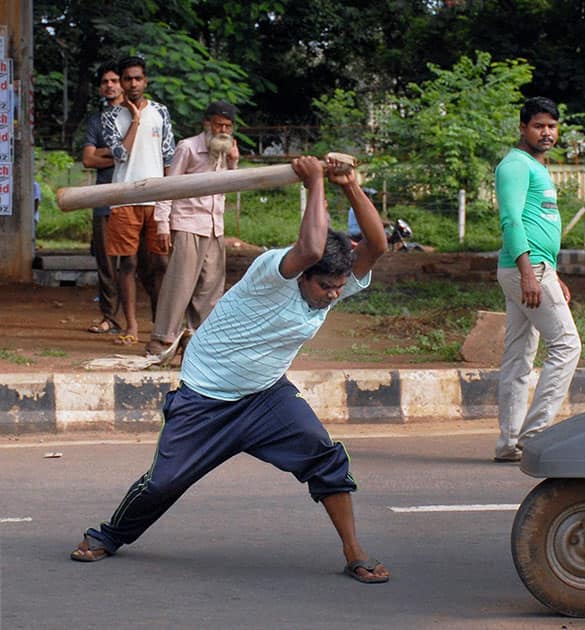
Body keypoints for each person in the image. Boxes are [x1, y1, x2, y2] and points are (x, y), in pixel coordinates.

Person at [70, 153, 391, 584]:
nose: (334, 295)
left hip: (264, 396)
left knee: (324, 457)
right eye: (325, 287)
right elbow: (311, 247)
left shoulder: (333, 280)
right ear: (303, 277)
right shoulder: (272, 273)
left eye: (339, 287)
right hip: (206, 396)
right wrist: (314, 181)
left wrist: (350, 184)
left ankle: (355, 551)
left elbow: (378, 246)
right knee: (163, 484)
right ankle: (108, 535)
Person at [493, 96, 581, 463]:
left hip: (535, 269)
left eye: (552, 126)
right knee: (567, 344)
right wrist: (531, 273)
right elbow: (512, 222)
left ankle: (509, 443)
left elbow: (537, 224)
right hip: (525, 269)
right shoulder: (515, 166)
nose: (546, 133)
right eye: (538, 126)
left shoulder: (536, 166)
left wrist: (552, 273)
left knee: (519, 356)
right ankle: (535, 436)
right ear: (523, 128)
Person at [145, 101, 240, 361]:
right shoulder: (187, 148)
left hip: (214, 227)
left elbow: (229, 188)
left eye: (228, 126)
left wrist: (233, 163)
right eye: (219, 124)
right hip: (187, 223)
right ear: (207, 123)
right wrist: (162, 223)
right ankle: (162, 339)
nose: (223, 130)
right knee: (180, 284)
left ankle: (198, 342)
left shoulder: (225, 151)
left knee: (210, 287)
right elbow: (169, 187)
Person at [102, 56, 175, 346]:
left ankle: (161, 323)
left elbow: (168, 157)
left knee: (160, 262)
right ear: (121, 82)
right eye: (127, 79)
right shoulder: (109, 116)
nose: (133, 83)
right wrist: (134, 119)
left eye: (137, 78)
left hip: (156, 197)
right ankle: (131, 324)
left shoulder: (160, 112)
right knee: (128, 263)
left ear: (145, 81)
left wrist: (169, 201)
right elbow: (120, 155)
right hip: (123, 198)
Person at [81, 61, 123, 335]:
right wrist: (118, 152)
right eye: (105, 81)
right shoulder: (95, 121)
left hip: (135, 199)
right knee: (106, 264)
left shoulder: (138, 117)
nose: (110, 85)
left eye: (114, 80)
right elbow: (88, 159)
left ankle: (153, 321)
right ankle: (110, 318)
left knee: (144, 264)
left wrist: (104, 153)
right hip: (104, 200)